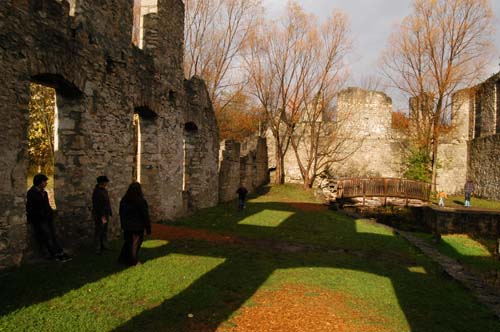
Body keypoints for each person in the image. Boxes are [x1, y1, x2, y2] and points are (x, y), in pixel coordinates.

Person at [26, 174, 71, 262]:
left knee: (54, 235)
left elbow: (47, 205)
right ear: (39, 182)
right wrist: (37, 217)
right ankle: (54, 254)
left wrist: (51, 212)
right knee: (47, 237)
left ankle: (60, 252)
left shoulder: (44, 192)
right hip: (40, 219)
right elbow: (31, 207)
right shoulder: (32, 193)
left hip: (48, 217)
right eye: (44, 181)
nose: (46, 183)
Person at [118, 182, 151, 266]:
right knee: (134, 244)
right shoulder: (140, 201)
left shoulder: (124, 200)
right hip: (136, 227)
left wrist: (123, 224)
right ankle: (133, 261)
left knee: (128, 242)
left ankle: (122, 259)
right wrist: (148, 228)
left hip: (127, 226)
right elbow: (145, 215)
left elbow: (121, 213)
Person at [92, 175, 112, 254]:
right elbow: (98, 205)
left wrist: (109, 212)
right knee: (99, 231)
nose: (106, 184)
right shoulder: (97, 192)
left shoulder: (103, 190)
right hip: (100, 215)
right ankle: (97, 248)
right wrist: (102, 216)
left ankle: (103, 245)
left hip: (105, 213)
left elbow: (107, 202)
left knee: (104, 231)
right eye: (105, 182)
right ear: (102, 182)